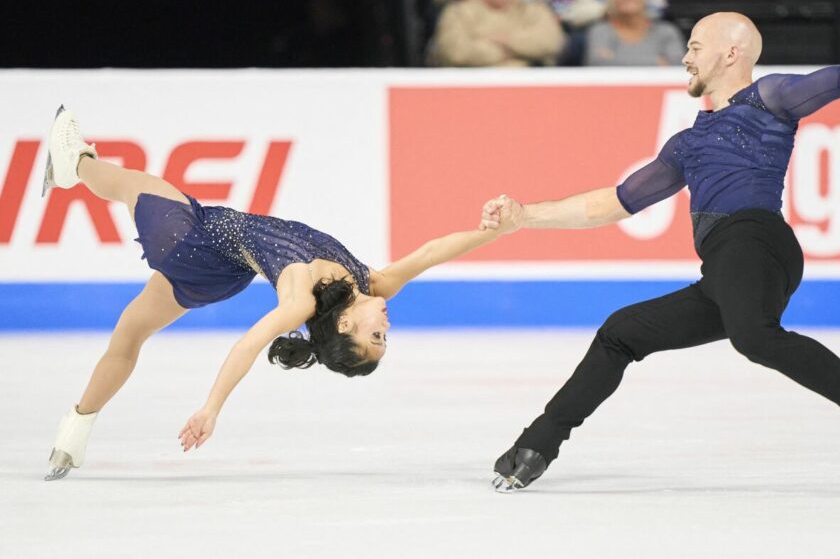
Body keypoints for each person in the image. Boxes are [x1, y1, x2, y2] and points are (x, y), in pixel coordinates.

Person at [483, 0, 840, 491]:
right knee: (621, 332)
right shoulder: (687, 144)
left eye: (696, 45)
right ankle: (535, 447)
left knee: (753, 337)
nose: (685, 56)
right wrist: (525, 215)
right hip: (726, 270)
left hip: (754, 239)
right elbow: (613, 203)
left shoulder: (768, 98)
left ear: (732, 53)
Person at [42, 107, 514, 481]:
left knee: (134, 185)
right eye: (384, 340)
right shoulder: (371, 283)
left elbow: (248, 344)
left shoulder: (303, 298)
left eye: (376, 338)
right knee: (128, 336)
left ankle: (74, 164)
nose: (386, 330)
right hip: (222, 272)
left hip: (190, 241)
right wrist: (487, 234)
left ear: (345, 325)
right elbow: (431, 253)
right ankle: (75, 430)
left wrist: (212, 407)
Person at [430, 0, 565, 67]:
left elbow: (551, 42)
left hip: (527, 81)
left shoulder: (533, 10)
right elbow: (455, 51)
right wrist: (503, 53)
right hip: (471, 82)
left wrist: (508, 40)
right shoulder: (459, 11)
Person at [584, 0, 684, 66]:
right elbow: (598, 63)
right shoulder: (600, 31)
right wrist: (657, 62)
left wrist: (615, 59)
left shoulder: (666, 31)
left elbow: (677, 64)